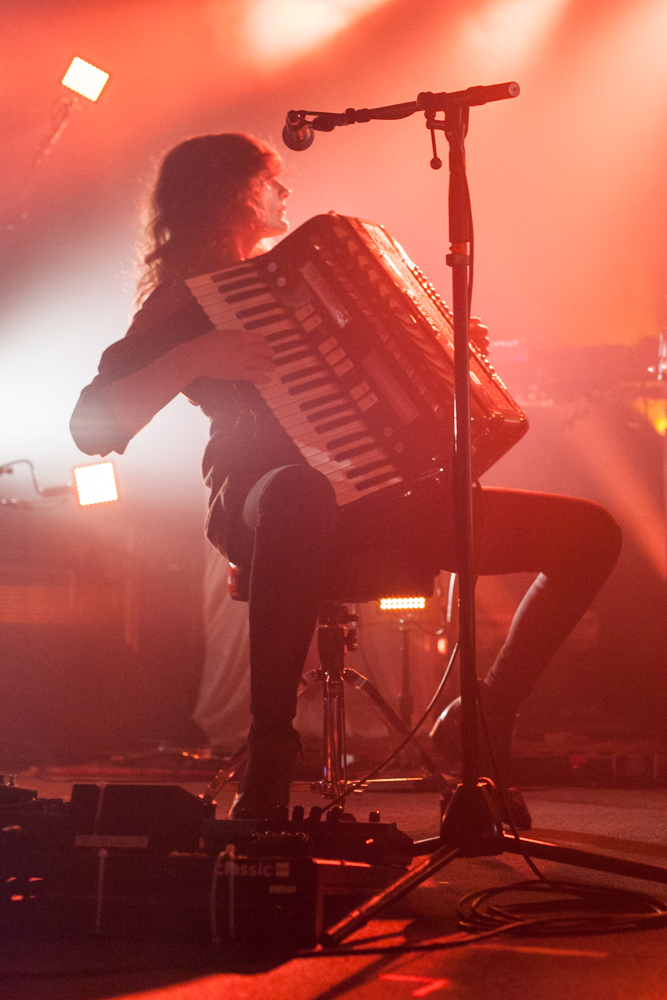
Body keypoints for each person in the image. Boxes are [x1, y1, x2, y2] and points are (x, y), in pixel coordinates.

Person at [70, 132, 622, 821]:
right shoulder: (183, 300)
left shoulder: (303, 276)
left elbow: (386, 385)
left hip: (378, 495)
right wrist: (193, 356)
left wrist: (448, 350)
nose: (286, 194)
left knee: (588, 533)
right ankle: (270, 745)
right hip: (260, 489)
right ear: (233, 193)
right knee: (302, 494)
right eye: (274, 180)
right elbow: (91, 427)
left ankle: (482, 713)